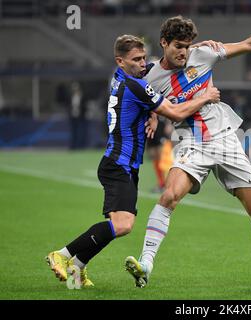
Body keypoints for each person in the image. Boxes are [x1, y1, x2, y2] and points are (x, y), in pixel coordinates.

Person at [124, 11, 251, 288]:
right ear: (164, 43)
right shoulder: (151, 78)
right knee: (169, 196)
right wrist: (154, 115)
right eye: (178, 46)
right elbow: (147, 102)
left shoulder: (204, 54)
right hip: (191, 144)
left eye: (187, 46)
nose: (183, 52)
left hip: (226, 140)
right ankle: (146, 263)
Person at [45, 34, 220, 287]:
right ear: (120, 61)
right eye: (136, 60)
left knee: (118, 224)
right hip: (119, 164)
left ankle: (77, 270)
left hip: (123, 164)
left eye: (143, 58)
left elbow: (160, 62)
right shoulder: (135, 86)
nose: (142, 64)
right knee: (123, 224)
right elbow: (174, 111)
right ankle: (61, 255)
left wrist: (197, 46)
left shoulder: (122, 77)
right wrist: (205, 97)